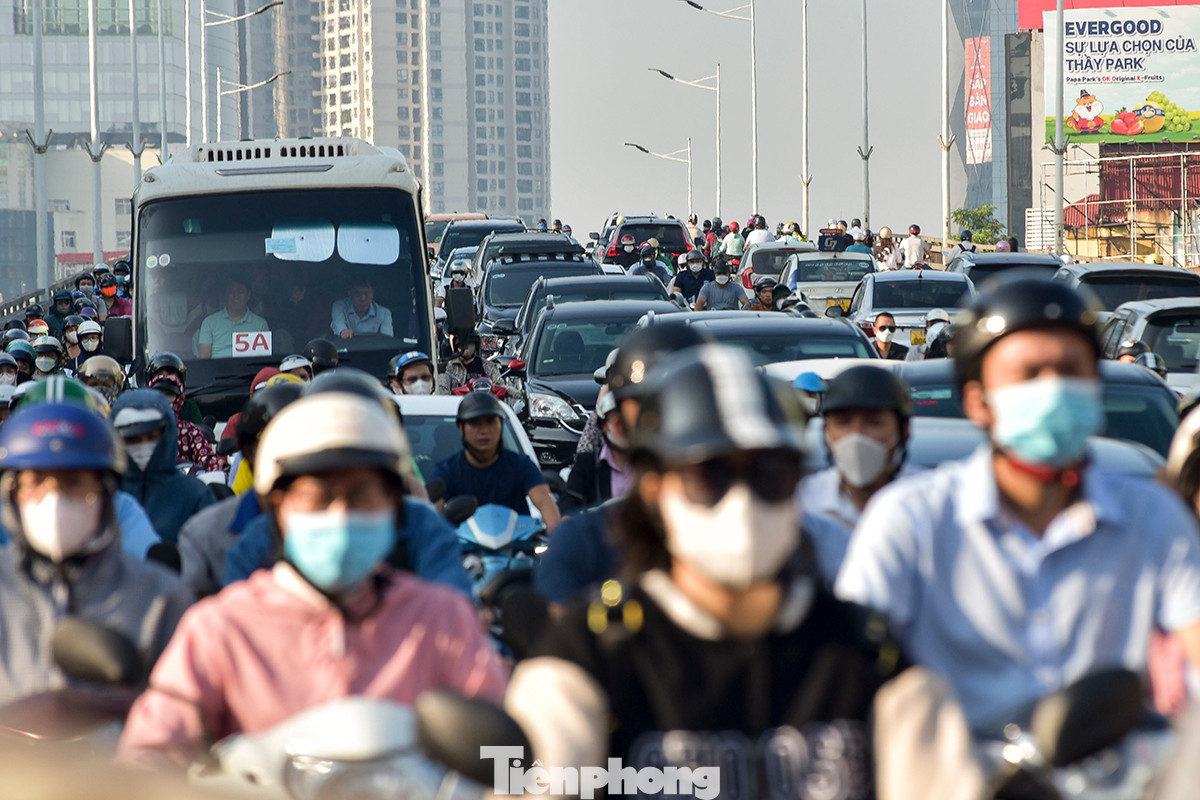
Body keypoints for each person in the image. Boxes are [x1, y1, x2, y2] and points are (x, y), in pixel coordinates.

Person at [506, 345, 907, 797]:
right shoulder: (593, 653)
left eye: (769, 475)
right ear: (656, 489)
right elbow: (538, 772)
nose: (742, 503)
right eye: (707, 477)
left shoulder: (867, 653)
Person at [836, 277, 1200, 732]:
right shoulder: (911, 522)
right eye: (1028, 375)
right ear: (976, 401)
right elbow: (845, 679)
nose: (1053, 389)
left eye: (1071, 370)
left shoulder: (1155, 520)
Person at [118, 391, 508, 769]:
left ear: (393, 506)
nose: (340, 515)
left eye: (361, 495)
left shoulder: (442, 621)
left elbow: (500, 755)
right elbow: (151, 757)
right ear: (278, 508)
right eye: (319, 498)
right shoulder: (221, 631)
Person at [0, 401, 192, 704]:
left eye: (74, 483)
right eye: (36, 482)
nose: (54, 499)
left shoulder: (161, 599)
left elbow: (185, 720)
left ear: (106, 492)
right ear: (11, 494)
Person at [177, 382, 304, 597]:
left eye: (302, 440)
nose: (289, 454)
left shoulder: (349, 527)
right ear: (249, 452)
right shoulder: (204, 537)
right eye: (274, 441)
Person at [799, 367, 921, 575]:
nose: (856, 437)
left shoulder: (931, 501)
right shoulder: (803, 503)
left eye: (873, 423)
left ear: (904, 431)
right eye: (843, 423)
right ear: (826, 433)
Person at [430, 391, 561, 529]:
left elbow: (544, 501)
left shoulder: (521, 465)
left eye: (491, 422)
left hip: (518, 549)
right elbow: (431, 516)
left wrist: (555, 538)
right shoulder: (446, 471)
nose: (484, 431)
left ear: (501, 425)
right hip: (463, 549)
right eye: (475, 423)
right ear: (461, 428)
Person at [111, 389, 216, 545]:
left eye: (152, 437)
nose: (142, 445)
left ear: (168, 435)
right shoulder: (102, 494)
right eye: (132, 439)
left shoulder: (195, 495)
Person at [560, 390, 631, 514]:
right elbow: (569, 501)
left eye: (628, 421)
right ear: (604, 425)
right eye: (617, 423)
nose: (623, 429)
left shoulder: (651, 463)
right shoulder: (588, 463)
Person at [146, 371, 224, 474]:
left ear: (179, 398)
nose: (164, 400)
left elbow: (207, 458)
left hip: (186, 486)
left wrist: (215, 470)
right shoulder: (142, 429)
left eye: (169, 395)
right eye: (160, 394)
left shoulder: (189, 431)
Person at [197, 279, 270, 359]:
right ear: (226, 295)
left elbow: (263, 360)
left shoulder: (261, 324)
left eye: (241, 292)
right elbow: (204, 359)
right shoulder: (209, 323)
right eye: (231, 292)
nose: (236, 296)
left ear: (248, 295)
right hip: (218, 370)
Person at [146, 351, 203, 424]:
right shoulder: (142, 407)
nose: (165, 378)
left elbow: (198, 430)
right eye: (160, 374)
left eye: (170, 373)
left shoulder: (189, 407)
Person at [436, 332, 501, 394]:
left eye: (470, 343)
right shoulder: (448, 368)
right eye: (463, 344)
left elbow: (502, 387)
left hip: (484, 403)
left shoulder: (488, 366)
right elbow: (443, 392)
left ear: (476, 345)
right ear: (456, 346)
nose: (467, 347)